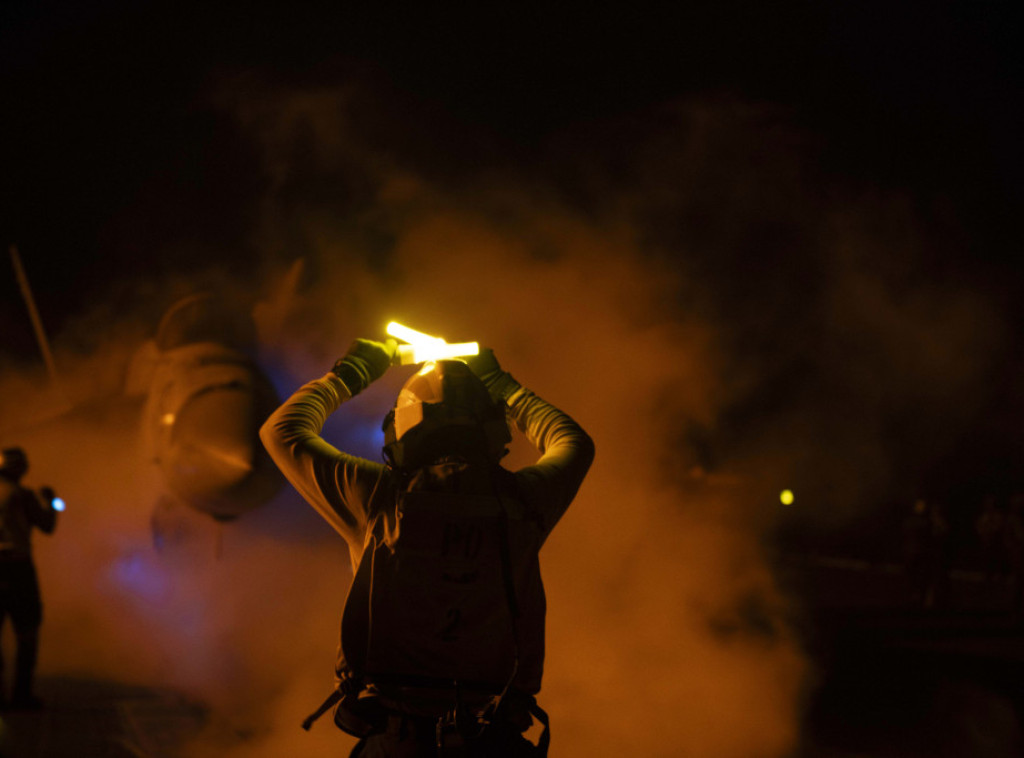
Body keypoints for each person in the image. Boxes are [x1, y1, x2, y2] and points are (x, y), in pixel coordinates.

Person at [260, 339, 594, 757]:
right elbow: (574, 443)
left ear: (403, 427)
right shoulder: (525, 502)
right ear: (493, 428)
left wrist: (353, 372)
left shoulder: (377, 496)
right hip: (492, 742)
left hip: (398, 742)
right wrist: (501, 383)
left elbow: (281, 431)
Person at [0, 447, 59, 710]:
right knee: (27, 632)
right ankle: (21, 695)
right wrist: (52, 502)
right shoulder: (23, 496)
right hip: (18, 569)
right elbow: (47, 525)